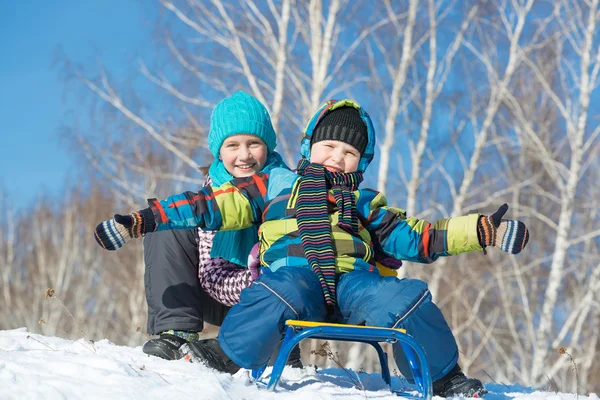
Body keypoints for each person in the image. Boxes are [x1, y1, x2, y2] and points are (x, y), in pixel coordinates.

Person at [94, 99, 529, 397]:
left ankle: (445, 376)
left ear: (361, 161)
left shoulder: (365, 201)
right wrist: (142, 220)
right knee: (277, 290)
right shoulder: (275, 184)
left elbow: (421, 237)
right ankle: (224, 355)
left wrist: (483, 231)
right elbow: (211, 205)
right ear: (308, 147)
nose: (337, 157)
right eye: (328, 146)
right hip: (295, 279)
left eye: (348, 152)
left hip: (353, 285)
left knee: (406, 296)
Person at [141, 91, 292, 361]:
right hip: (223, 289)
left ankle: (278, 343)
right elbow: (213, 275)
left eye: (253, 143)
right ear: (219, 151)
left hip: (277, 299)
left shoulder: (287, 188)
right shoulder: (210, 193)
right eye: (233, 145)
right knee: (172, 220)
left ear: (268, 146)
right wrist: (253, 281)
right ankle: (176, 332)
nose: (244, 155)